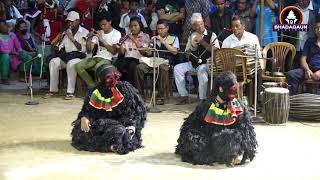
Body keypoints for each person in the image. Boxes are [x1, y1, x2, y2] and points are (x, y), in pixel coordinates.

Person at [175, 71, 257, 166]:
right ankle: (222, 155)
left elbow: (247, 130)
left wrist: (247, 151)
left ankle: (229, 154)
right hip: (208, 140)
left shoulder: (239, 107)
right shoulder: (207, 105)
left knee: (230, 137)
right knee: (192, 140)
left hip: (228, 141)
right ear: (220, 88)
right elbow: (190, 125)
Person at [71, 64, 147, 154]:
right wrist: (84, 117)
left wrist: (133, 125)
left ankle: (112, 145)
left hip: (122, 124)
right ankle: (110, 145)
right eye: (107, 78)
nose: (110, 80)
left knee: (119, 132)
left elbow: (139, 110)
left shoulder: (125, 89)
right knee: (81, 129)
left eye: (112, 77)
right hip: (100, 123)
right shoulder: (95, 92)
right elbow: (86, 109)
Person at [174, 13, 220, 105]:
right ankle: (184, 95)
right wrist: (188, 52)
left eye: (201, 24)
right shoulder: (192, 36)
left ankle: (202, 99)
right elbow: (187, 52)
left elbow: (216, 50)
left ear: (203, 23)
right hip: (194, 63)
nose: (199, 27)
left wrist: (202, 42)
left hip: (207, 63)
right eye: (196, 25)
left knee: (202, 69)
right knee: (177, 68)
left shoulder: (212, 34)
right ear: (193, 26)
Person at [45, 11, 89, 99]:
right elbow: (59, 48)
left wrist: (72, 38)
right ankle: (53, 90)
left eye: (72, 21)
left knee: (71, 63)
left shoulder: (84, 32)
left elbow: (83, 49)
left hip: (80, 58)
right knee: (53, 62)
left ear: (78, 21)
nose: (70, 23)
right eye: (68, 21)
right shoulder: (66, 32)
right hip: (68, 57)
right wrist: (58, 40)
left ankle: (70, 92)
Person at [135, 19, 179, 104]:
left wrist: (164, 42)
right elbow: (148, 53)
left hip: (166, 61)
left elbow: (175, 51)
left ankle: (161, 96)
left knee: (163, 68)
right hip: (153, 61)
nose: (159, 31)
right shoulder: (154, 38)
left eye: (162, 29)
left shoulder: (173, 38)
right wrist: (149, 45)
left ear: (167, 28)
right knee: (139, 68)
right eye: (158, 29)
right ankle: (140, 95)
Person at [75, 11, 121, 89]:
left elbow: (113, 51)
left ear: (110, 22)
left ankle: (100, 89)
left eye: (104, 24)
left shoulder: (116, 34)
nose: (102, 27)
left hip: (108, 58)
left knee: (98, 67)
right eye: (101, 25)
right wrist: (89, 38)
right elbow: (89, 50)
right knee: (78, 66)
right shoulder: (100, 32)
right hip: (97, 57)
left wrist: (101, 39)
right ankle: (93, 86)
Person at [287, 20, 320, 95]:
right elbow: (303, 59)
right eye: (317, 28)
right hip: (309, 69)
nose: (319, 30)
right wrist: (308, 70)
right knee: (291, 74)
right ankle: (292, 100)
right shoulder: (310, 41)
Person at [115, 17, 150, 86]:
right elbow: (122, 52)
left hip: (139, 59)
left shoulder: (145, 36)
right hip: (127, 58)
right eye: (131, 26)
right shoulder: (126, 37)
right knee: (118, 64)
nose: (133, 28)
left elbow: (143, 52)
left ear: (140, 26)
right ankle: (120, 87)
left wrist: (133, 39)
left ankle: (131, 88)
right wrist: (121, 44)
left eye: (135, 26)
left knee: (132, 66)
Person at [0, 20, 32, 85]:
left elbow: (18, 47)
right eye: (1, 27)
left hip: (13, 55)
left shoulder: (12, 35)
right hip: (2, 56)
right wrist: (12, 53)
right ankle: (4, 78)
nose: (4, 28)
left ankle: (22, 75)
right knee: (5, 56)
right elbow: (1, 50)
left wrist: (21, 52)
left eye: (5, 25)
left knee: (26, 55)